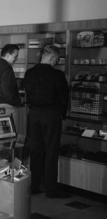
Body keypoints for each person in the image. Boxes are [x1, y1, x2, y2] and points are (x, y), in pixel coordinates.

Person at [24, 45, 69, 198]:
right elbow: (63, 97)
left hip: (34, 114)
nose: (56, 62)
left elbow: (27, 94)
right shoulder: (57, 75)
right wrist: (63, 114)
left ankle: (34, 185)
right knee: (51, 151)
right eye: (56, 59)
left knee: (35, 150)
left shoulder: (29, 73)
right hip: (51, 114)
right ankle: (51, 189)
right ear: (52, 57)